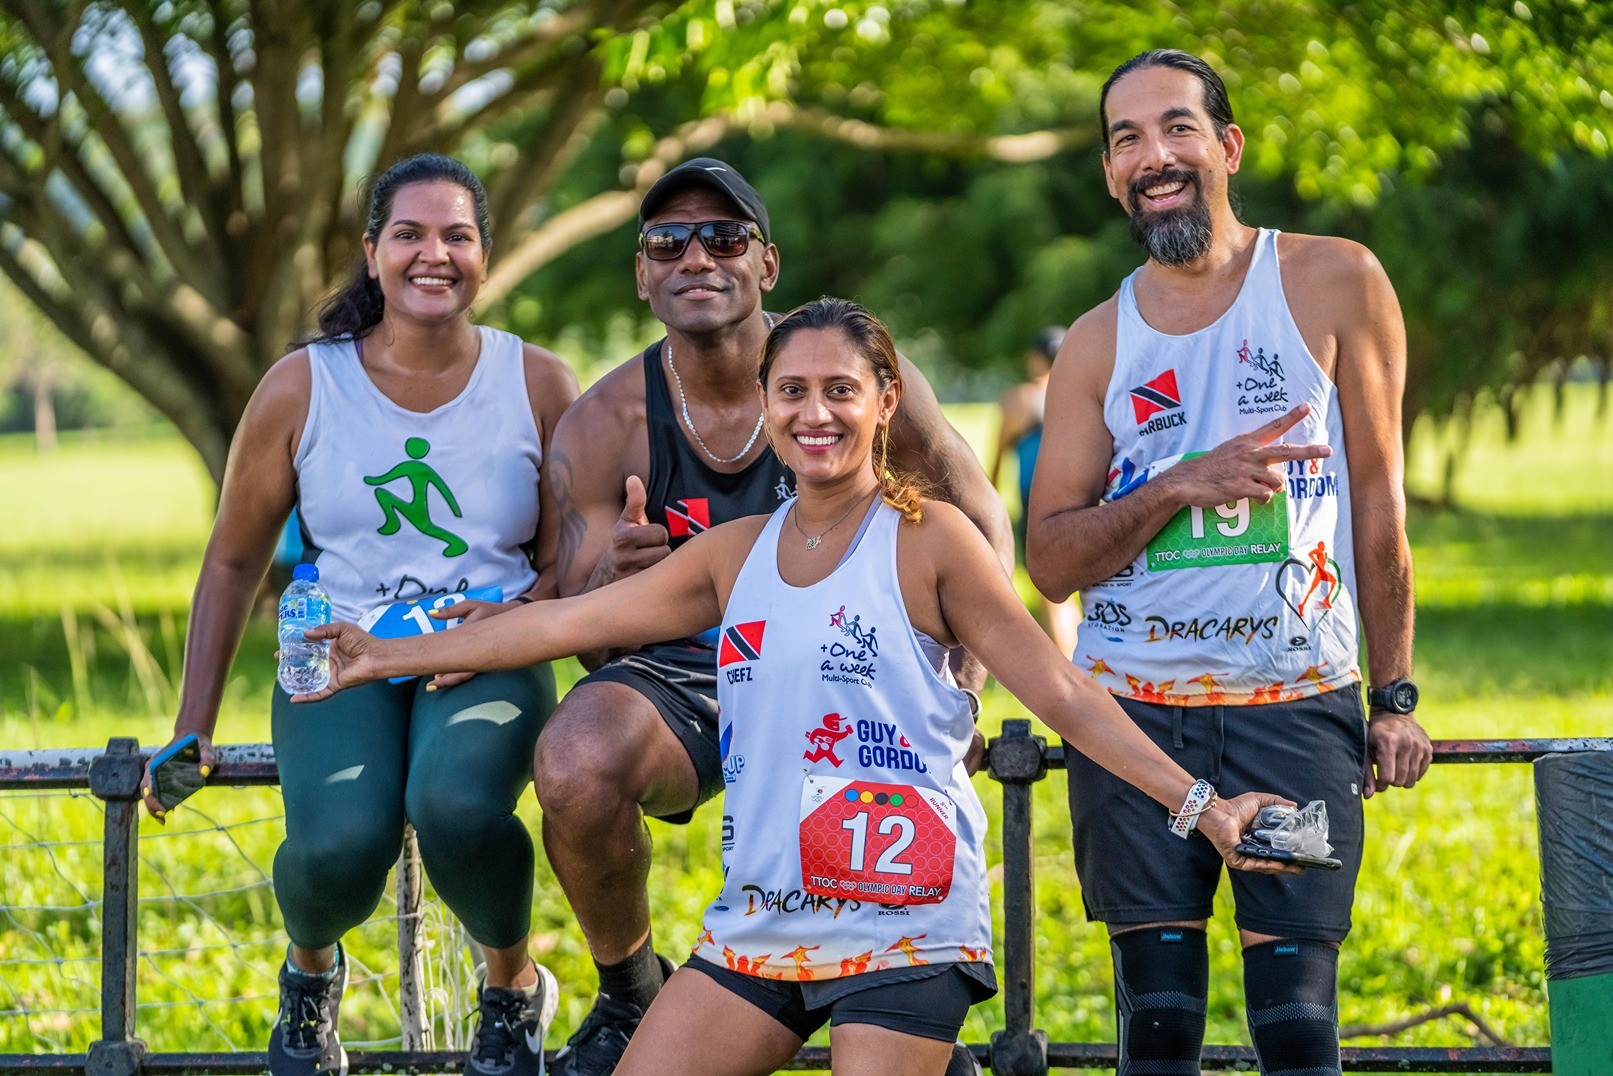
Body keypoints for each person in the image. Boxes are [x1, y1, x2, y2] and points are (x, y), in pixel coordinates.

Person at [295, 297, 1294, 1076]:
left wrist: (1202, 808)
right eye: (792, 391)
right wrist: (378, 656)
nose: (815, 413)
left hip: (901, 922)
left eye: (840, 390)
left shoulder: (931, 541)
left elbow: (1061, 693)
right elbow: (563, 623)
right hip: (763, 920)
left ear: (885, 400)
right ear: (766, 403)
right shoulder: (733, 553)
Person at [510, 158, 1011, 1075]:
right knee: (576, 760)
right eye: (668, 241)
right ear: (642, 273)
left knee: (869, 848)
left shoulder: (850, 374)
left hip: (854, 663)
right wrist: (613, 576)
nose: (696, 257)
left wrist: (958, 697)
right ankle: (629, 992)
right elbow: (575, 624)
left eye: (724, 236)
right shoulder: (604, 421)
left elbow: (978, 522)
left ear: (766, 264)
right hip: (686, 676)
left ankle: (909, 1033)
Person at [1025, 50, 1432, 1076]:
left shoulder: (1333, 280)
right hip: (1132, 719)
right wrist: (1174, 485)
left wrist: (1392, 695)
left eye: (1176, 127)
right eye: (1126, 140)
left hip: (1291, 707)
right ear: (1110, 174)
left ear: (1227, 146)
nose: (1153, 155)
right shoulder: (1095, 343)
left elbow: (1378, 501)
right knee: (1157, 1027)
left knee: (1295, 1027)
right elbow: (1050, 561)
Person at [139, 154, 580, 1076]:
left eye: (457, 235)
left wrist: (515, 616)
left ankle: (511, 989)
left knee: (455, 807)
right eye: (409, 235)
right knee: (338, 848)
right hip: (336, 651)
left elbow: (566, 563)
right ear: (372, 252)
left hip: (486, 652)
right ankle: (310, 976)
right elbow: (232, 559)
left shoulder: (537, 383)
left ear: (485, 254)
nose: (434, 254)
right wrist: (191, 724)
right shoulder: (304, 385)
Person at [989, 325, 1079, 657]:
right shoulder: (1080, 393)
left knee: (1053, 597)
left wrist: (990, 506)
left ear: (1035, 359)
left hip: (1039, 502)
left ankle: (1072, 668)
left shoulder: (1021, 399)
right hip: (1082, 496)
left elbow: (998, 458)